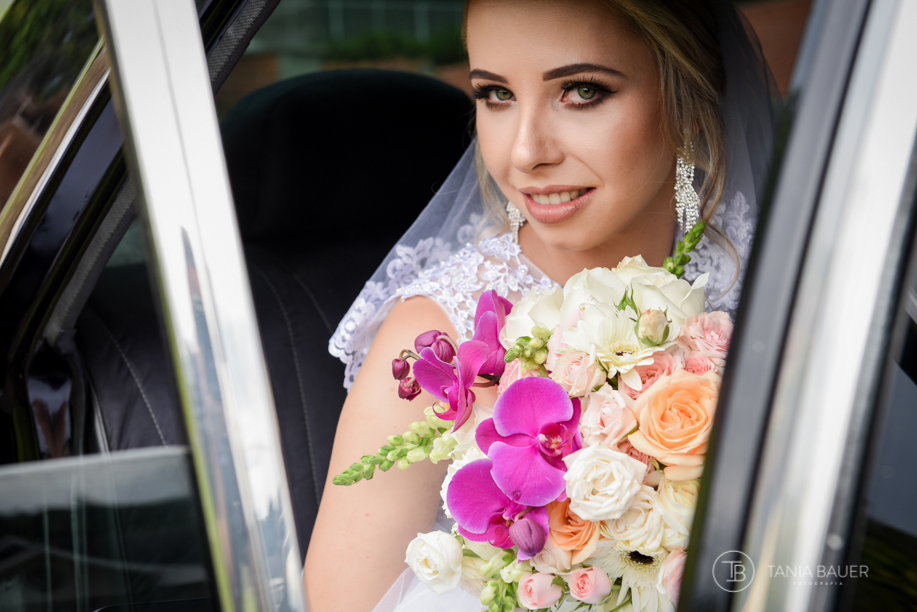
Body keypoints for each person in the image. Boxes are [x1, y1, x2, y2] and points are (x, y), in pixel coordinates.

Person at [305, 0, 775, 610]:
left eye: (581, 91)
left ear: (690, 105)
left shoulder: (775, 287)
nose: (526, 151)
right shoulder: (441, 339)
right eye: (496, 95)